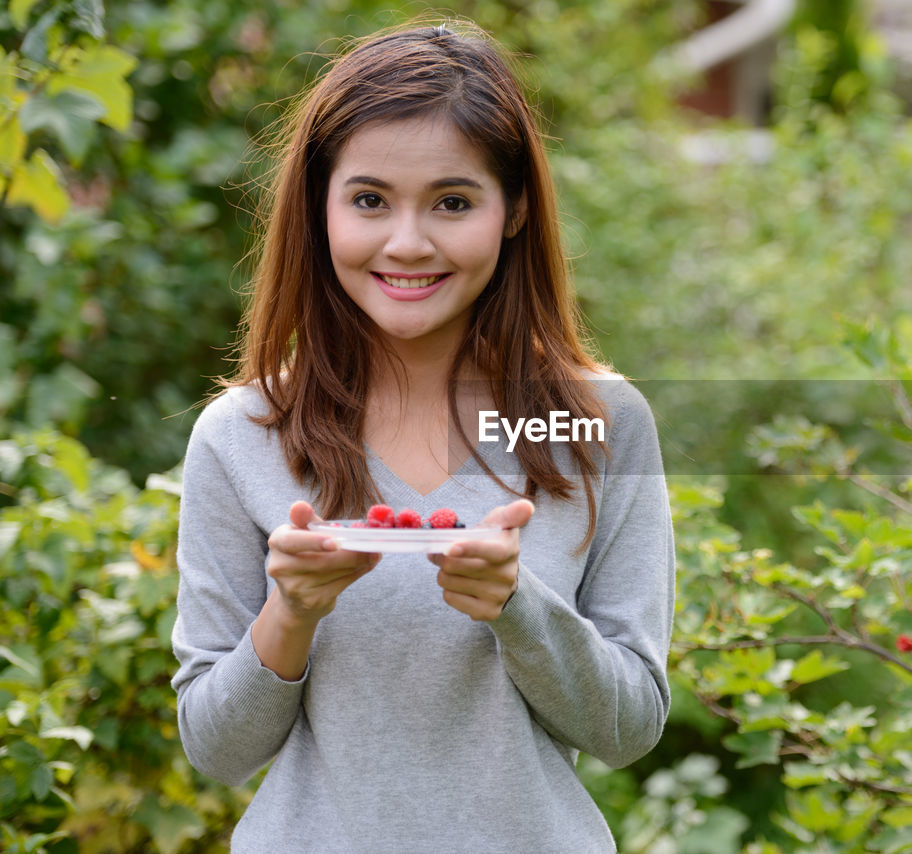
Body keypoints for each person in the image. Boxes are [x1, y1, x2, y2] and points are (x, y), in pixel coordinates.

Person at [170, 21, 675, 853]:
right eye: (369, 200)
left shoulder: (601, 425)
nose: (408, 242)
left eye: (452, 201)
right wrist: (289, 613)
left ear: (513, 210)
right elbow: (216, 750)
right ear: (320, 207)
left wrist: (518, 608)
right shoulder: (241, 437)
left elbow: (629, 729)